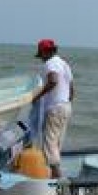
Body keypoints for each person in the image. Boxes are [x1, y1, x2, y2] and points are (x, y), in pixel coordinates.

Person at [30, 39, 74, 178]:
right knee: (56, 144)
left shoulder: (51, 63)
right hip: (66, 106)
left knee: (49, 145)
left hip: (55, 108)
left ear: (45, 52)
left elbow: (53, 81)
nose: (41, 58)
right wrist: (63, 101)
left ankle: (58, 181)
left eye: (41, 54)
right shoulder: (64, 64)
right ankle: (54, 178)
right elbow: (72, 90)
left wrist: (37, 96)